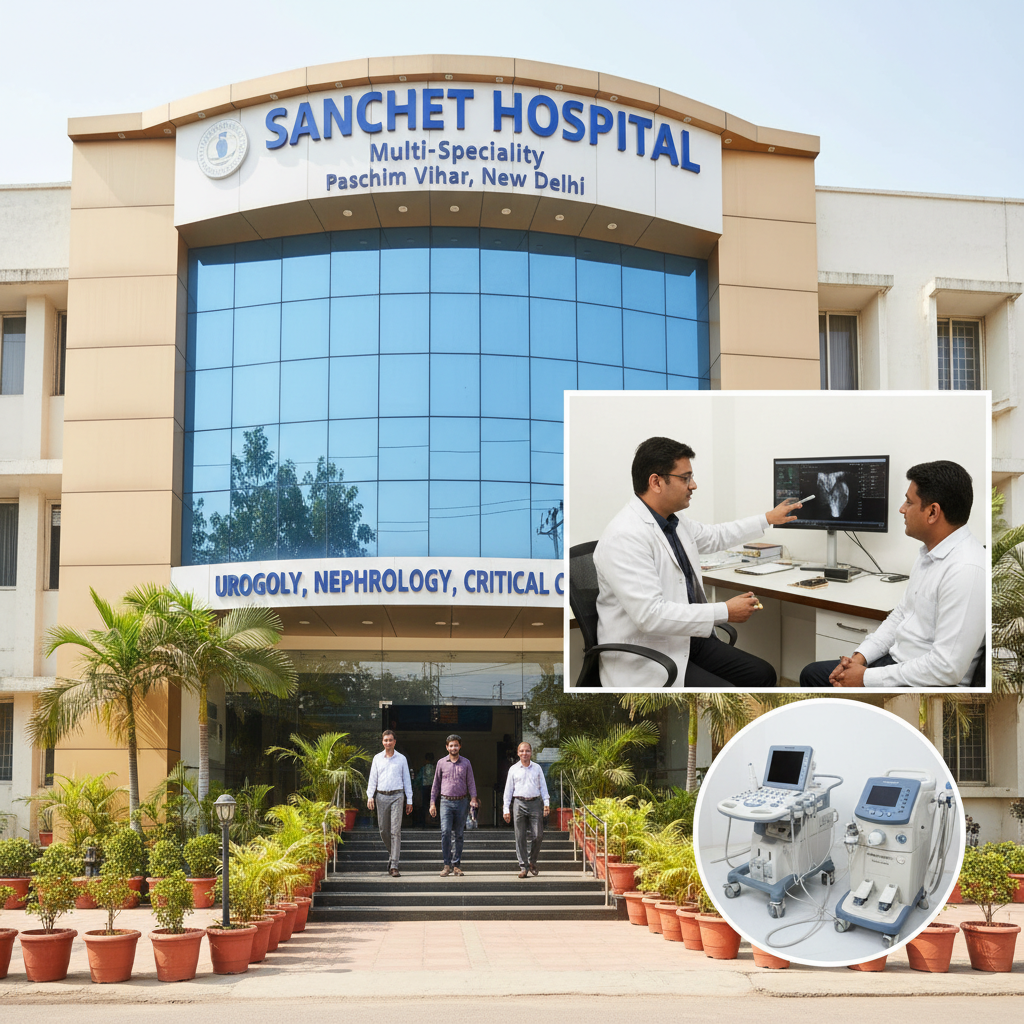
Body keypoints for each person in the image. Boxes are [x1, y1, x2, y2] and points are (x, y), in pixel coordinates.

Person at [593, 436, 800, 688]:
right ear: (656, 482)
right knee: (728, 695)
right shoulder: (624, 536)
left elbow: (716, 536)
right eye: (686, 478)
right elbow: (650, 616)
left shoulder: (673, 521)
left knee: (763, 674)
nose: (694, 485)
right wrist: (725, 611)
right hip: (648, 656)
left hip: (685, 640)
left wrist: (767, 518)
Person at [800, 461, 985, 689]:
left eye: (909, 502)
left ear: (932, 512)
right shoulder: (929, 554)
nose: (902, 509)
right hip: (899, 664)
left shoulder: (966, 570)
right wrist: (859, 658)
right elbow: (901, 616)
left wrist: (865, 678)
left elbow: (945, 669)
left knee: (817, 679)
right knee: (812, 674)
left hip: (926, 685)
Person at [429, 734, 479, 876]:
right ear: (447, 747)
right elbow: (435, 784)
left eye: (456, 745)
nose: (453, 748)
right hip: (445, 802)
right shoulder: (441, 763)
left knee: (459, 834)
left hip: (462, 801)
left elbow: (471, 782)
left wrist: (473, 799)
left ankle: (456, 865)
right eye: (451, 745)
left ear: (460, 746)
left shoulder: (466, 763)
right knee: (445, 832)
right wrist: (432, 803)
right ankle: (446, 865)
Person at [366, 730, 413, 877]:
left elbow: (407, 780)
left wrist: (409, 800)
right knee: (383, 830)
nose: (388, 743)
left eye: (390, 740)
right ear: (382, 742)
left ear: (395, 742)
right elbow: (373, 778)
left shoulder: (401, 759)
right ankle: (392, 855)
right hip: (381, 796)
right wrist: (370, 796)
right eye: (385, 740)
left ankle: (394, 866)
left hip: (397, 796)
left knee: (395, 831)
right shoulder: (377, 758)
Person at [502, 741, 550, 878]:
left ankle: (532, 861)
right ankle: (523, 866)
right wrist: (506, 809)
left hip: (535, 803)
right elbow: (508, 790)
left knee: (538, 835)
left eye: (527, 751)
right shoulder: (513, 769)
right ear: (518, 753)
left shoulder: (537, 768)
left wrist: (546, 803)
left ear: (531, 752)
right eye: (522, 751)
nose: (525, 753)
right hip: (519, 803)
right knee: (520, 836)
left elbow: (543, 787)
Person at [415, 753, 436, 826]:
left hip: (425, 787)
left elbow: (419, 779)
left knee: (425, 805)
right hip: (433, 788)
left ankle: (425, 821)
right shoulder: (435, 768)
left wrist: (416, 786)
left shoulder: (423, 768)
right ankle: (432, 819)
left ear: (426, 760)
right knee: (433, 804)